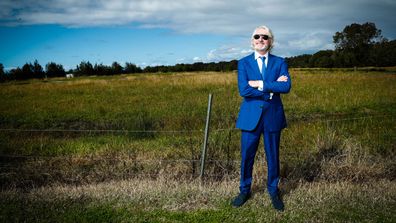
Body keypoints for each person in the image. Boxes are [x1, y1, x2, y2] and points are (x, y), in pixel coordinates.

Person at [231, 25, 291, 211]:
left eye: (265, 37)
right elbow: (244, 90)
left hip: (273, 116)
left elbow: (286, 87)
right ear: (252, 41)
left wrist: (260, 84)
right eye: (257, 36)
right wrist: (271, 89)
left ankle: (273, 191)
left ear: (270, 41)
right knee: (247, 156)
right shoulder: (243, 63)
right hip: (250, 118)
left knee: (273, 156)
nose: (260, 39)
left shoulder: (280, 62)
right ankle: (244, 190)